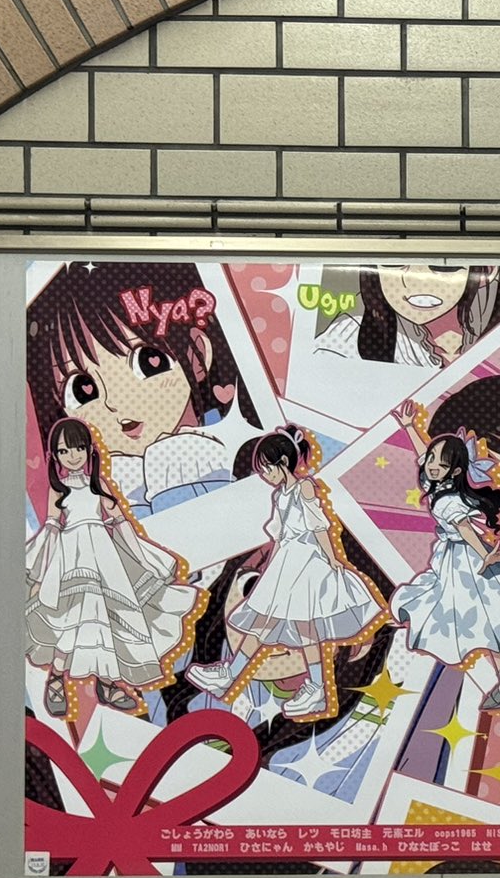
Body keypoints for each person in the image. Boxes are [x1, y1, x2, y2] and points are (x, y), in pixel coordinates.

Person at [26, 260, 263, 518]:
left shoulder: (212, 449)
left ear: (196, 355)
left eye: (148, 363)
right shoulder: (100, 480)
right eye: (83, 391)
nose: (114, 403)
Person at [186, 428, 386, 720]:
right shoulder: (282, 494)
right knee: (264, 625)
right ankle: (233, 674)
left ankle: (315, 688)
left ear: (283, 462)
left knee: (305, 629)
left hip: (307, 563)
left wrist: (333, 559)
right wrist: (272, 566)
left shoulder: (304, 488)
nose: (266, 475)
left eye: (268, 468)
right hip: (286, 563)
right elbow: (280, 535)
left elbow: (319, 526)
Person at [387, 415, 500, 713]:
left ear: (455, 471)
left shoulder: (446, 500)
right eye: (432, 459)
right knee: (497, 611)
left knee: (490, 617)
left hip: (467, 561)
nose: (432, 465)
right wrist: (410, 428)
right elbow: (424, 457)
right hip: (459, 559)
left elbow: (464, 529)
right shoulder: (437, 482)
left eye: (440, 464)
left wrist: (484, 556)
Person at [25, 418, 203, 719]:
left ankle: (106, 682)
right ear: (55, 456)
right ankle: (56, 678)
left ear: (89, 450)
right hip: (72, 558)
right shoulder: (59, 489)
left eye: (78, 448)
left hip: (105, 557)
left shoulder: (98, 485)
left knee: (108, 620)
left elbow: (121, 522)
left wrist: (146, 559)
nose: (73, 456)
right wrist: (41, 569)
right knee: (73, 619)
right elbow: (52, 528)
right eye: (64, 451)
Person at [313, 260, 500, 368]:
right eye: (393, 265)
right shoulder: (348, 336)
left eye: (444, 267)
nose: (417, 281)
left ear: (487, 271)